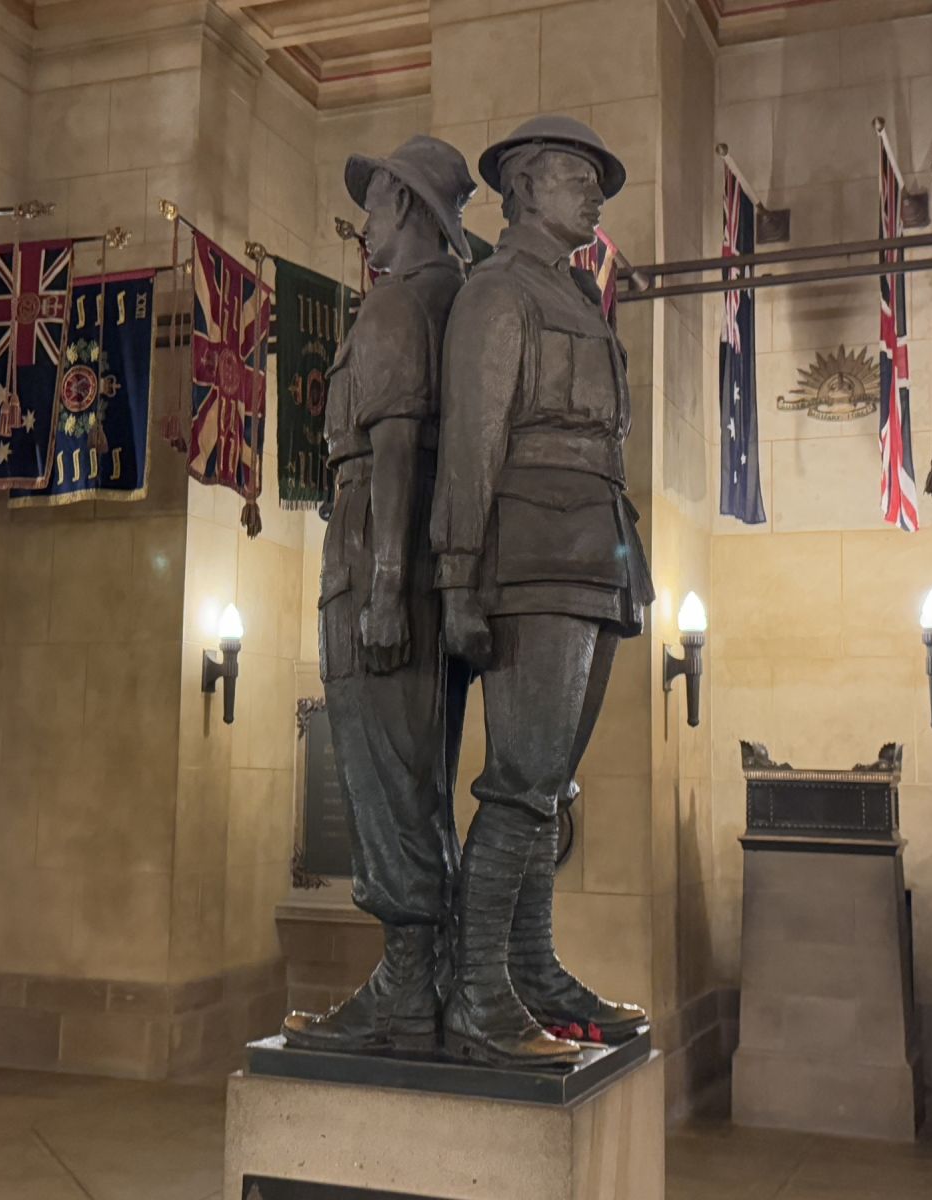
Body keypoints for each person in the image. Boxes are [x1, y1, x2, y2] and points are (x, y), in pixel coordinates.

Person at [431, 116, 653, 1067]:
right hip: (530, 553)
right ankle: (479, 991)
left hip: (594, 553)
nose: (592, 192)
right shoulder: (497, 291)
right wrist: (456, 573)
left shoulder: (575, 297)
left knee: (550, 786)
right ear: (521, 187)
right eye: (573, 175)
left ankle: (530, 965)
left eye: (595, 178)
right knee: (521, 782)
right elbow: (474, 441)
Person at [280, 136, 476, 1055]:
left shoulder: (401, 304)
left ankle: (405, 990)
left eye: (375, 200)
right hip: (392, 555)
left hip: (374, 556)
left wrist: (387, 589)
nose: (365, 220)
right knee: (412, 777)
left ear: (403, 200)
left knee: (387, 775)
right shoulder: (445, 299)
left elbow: (397, 446)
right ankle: (426, 979)